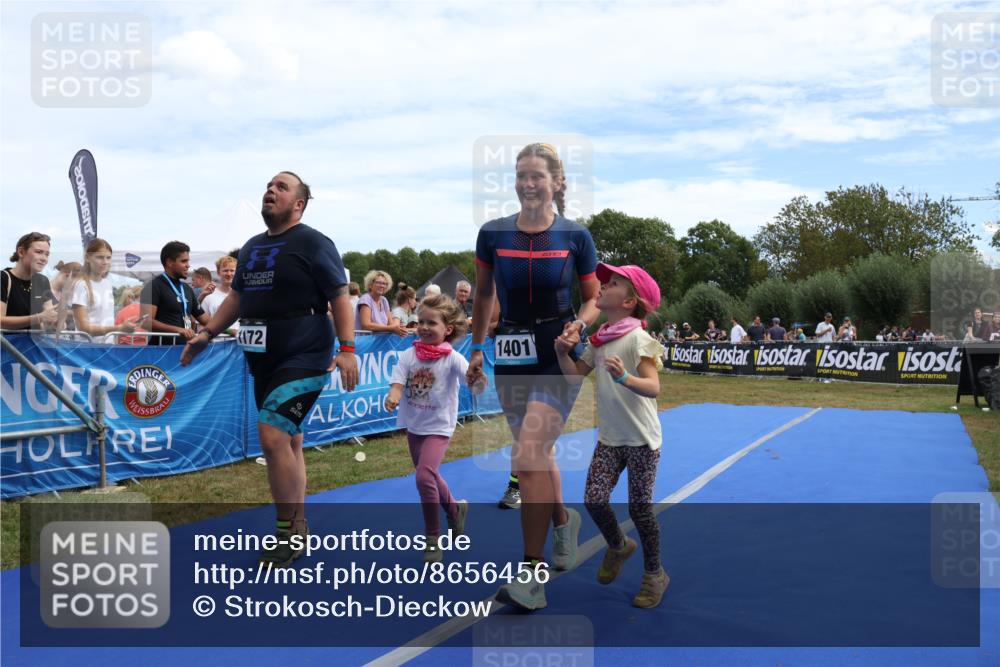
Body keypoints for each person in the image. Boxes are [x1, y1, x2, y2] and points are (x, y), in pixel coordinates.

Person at [181, 170, 359, 567]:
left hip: (306, 352)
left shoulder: (314, 242)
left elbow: (339, 295)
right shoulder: (251, 246)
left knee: (273, 435)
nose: (270, 191)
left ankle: (285, 532)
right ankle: (299, 525)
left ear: (299, 204)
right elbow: (237, 299)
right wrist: (207, 333)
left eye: (281, 187)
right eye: (268, 186)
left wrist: (348, 348)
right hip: (262, 357)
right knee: (289, 439)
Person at [466, 142, 600, 611]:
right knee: (535, 454)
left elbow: (593, 298)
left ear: (557, 182)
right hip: (510, 350)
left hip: (557, 351)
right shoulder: (492, 233)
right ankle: (563, 521)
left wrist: (578, 325)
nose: (527, 183)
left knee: (527, 456)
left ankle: (531, 575)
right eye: (521, 175)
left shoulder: (575, 235)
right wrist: (477, 348)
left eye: (537, 175)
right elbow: (484, 295)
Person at [555, 262, 669, 609]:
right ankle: (618, 546)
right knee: (593, 499)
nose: (602, 286)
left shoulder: (639, 339)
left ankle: (655, 574)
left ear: (629, 302)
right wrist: (562, 353)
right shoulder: (600, 339)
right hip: (610, 438)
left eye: (613, 283)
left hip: (642, 440)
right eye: (605, 282)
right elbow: (575, 377)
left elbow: (653, 387)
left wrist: (624, 378)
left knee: (640, 510)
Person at [384, 294, 470, 563]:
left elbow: (474, 382)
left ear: (448, 329)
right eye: (420, 321)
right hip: (415, 425)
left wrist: (477, 377)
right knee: (429, 475)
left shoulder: (453, 358)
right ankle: (454, 509)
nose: (423, 327)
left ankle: (432, 537)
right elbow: (397, 382)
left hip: (439, 427)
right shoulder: (409, 354)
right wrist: (394, 395)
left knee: (423, 478)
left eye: (431, 323)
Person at [72, 239, 142, 342]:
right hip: (87, 347)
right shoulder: (81, 285)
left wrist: (124, 325)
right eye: (100, 257)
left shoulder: (107, 284)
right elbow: (83, 327)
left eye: (108, 257)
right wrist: (119, 328)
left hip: (107, 345)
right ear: (87, 258)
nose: (105, 262)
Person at [142, 241, 209, 345]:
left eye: (188, 261)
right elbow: (146, 322)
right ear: (169, 262)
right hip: (161, 350)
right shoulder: (153, 286)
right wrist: (177, 330)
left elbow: (205, 320)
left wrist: (229, 331)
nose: (188, 265)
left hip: (184, 349)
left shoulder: (186, 288)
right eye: (184, 261)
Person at [1, 232, 57, 330]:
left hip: (36, 338)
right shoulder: (3, 278)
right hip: (8, 339)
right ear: (21, 252)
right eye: (39, 252)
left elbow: (48, 317)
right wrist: (39, 318)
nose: (44, 259)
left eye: (47, 254)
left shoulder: (42, 281)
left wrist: (56, 322)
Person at [356, 270, 408, 336]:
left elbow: (391, 324)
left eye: (384, 284)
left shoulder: (384, 300)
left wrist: (400, 328)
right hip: (366, 340)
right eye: (378, 283)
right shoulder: (365, 299)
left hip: (381, 340)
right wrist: (391, 328)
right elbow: (366, 325)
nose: (382, 286)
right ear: (370, 285)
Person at [201, 255, 239, 335]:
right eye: (225, 271)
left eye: (232, 270)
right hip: (218, 341)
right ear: (218, 272)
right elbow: (201, 325)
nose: (229, 274)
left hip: (240, 340)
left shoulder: (243, 296)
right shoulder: (209, 296)